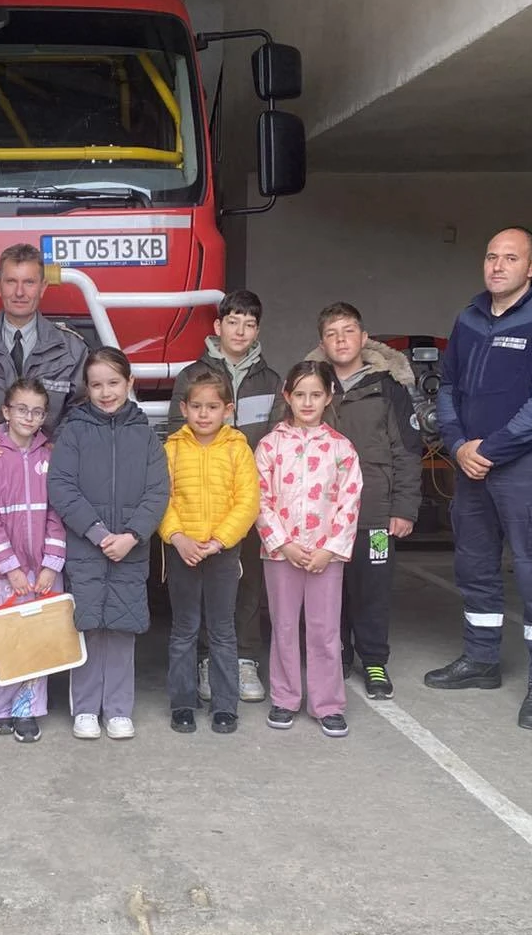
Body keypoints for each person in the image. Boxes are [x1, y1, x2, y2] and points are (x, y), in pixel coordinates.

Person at [425, 229, 532, 731]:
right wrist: (457, 445)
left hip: (526, 467)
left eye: (511, 258)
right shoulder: (468, 318)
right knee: (474, 567)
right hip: (470, 464)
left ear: (531, 268)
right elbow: (448, 386)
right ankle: (481, 660)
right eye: (491, 256)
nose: (497, 266)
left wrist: (487, 450)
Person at [48, 347, 170, 740]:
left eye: (114, 383)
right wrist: (99, 534)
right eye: (97, 384)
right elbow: (61, 487)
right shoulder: (73, 431)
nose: (106, 392)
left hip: (130, 549)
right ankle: (85, 708)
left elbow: (158, 492)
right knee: (86, 624)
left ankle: (118, 709)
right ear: (87, 387)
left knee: (122, 625)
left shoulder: (145, 435)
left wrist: (132, 536)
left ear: (130, 382)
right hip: (87, 547)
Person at [169, 290, 282, 705]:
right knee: (200, 589)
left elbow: (276, 439)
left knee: (247, 579)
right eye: (233, 322)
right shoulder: (191, 374)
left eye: (249, 324)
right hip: (198, 499)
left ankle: (245, 657)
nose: (241, 331)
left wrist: (248, 496)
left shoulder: (271, 380)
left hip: (246, 497)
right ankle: (205, 660)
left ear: (258, 330)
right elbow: (175, 434)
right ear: (218, 326)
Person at [314, 302, 422, 699]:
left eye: (348, 331)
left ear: (363, 337)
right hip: (323, 514)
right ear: (322, 343)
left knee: (372, 587)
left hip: (374, 512)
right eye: (332, 334)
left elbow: (407, 450)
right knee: (330, 588)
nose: (341, 340)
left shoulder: (388, 387)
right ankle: (338, 655)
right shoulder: (313, 385)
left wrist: (404, 508)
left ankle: (374, 659)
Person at [255, 360, 362, 738]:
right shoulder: (270, 445)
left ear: (329, 396)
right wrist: (282, 543)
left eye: (315, 394)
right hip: (281, 554)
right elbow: (260, 499)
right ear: (287, 395)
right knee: (283, 626)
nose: (307, 402)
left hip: (325, 556)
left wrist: (330, 550)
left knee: (325, 630)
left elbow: (350, 502)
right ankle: (284, 698)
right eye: (299, 394)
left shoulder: (341, 448)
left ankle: (328, 704)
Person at [159, 369, 260, 735]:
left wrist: (219, 540)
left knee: (222, 630)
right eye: (197, 406)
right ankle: (183, 703)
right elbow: (162, 498)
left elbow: (248, 501)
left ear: (227, 410)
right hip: (183, 551)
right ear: (184, 408)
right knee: (184, 629)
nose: (204, 414)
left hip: (223, 552)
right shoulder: (172, 448)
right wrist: (177, 537)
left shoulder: (237, 448)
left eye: (213, 407)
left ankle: (225, 705)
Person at [0, 377, 67, 744]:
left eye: (37, 411)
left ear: (44, 416)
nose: (29, 417)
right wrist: (9, 568)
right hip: (9, 571)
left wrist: (51, 564)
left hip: (44, 570)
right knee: (12, 639)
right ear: (6, 412)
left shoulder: (50, 455)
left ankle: (27, 710)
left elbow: (58, 511)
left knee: (40, 639)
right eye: (22, 409)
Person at [0, 242, 87, 435]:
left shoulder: (72, 350)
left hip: (52, 453)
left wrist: (54, 446)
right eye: (11, 281)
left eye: (29, 282)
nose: (19, 292)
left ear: (43, 287)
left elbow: (82, 413)